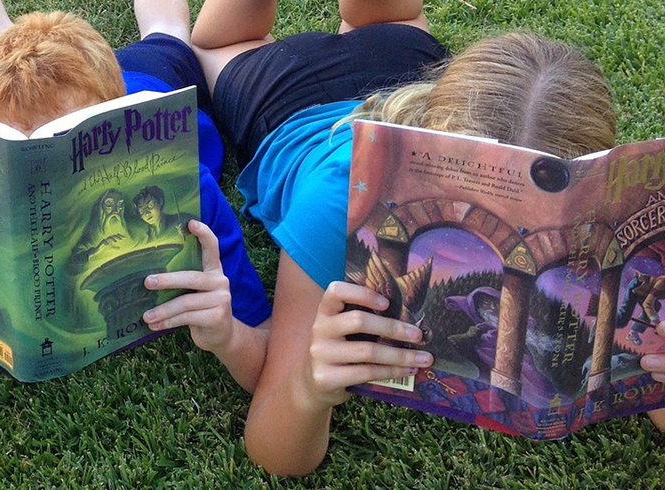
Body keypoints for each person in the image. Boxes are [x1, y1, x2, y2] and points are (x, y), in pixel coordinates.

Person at [189, 0, 621, 476]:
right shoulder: (339, 200)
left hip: (404, 55)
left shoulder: (611, 222)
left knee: (380, 19)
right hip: (286, 96)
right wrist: (308, 388)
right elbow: (274, 451)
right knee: (219, 43)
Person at [0, 0, 273, 426]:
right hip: (43, 97)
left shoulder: (191, 192)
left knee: (167, 33)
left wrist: (230, 336)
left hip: (149, 80)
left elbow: (267, 356)